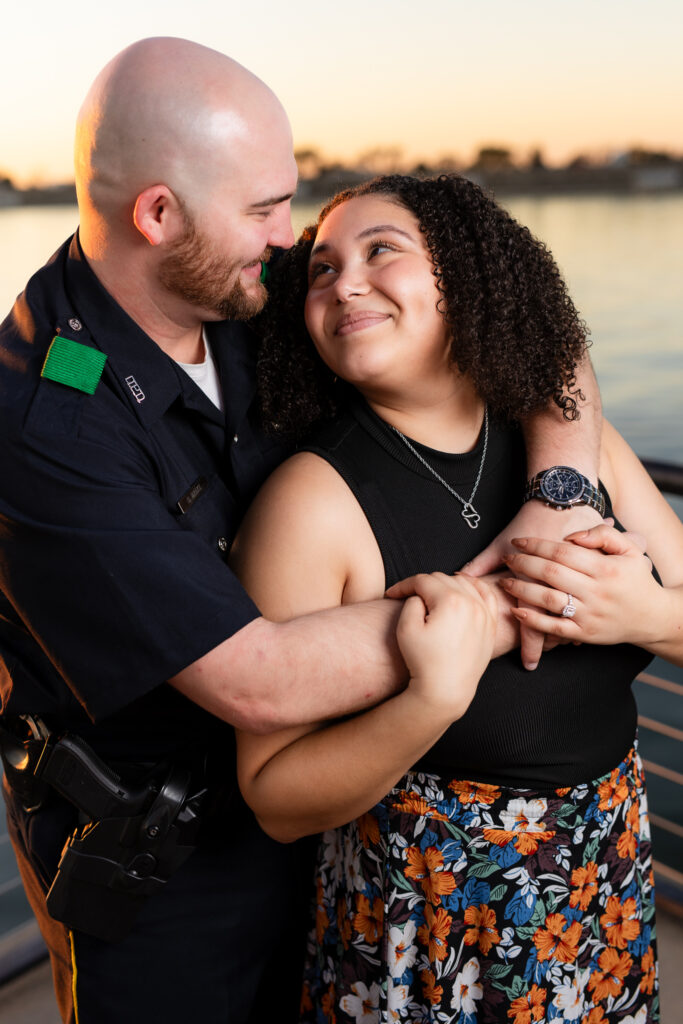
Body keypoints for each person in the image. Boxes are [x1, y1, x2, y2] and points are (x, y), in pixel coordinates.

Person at [0, 37, 605, 1024]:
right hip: (163, 869)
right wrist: (535, 596)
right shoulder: (42, 423)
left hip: (343, 813)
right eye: (265, 208)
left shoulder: (244, 278)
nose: (291, 236)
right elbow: (257, 676)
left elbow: (536, 325)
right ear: (159, 214)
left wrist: (560, 495)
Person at [233, 173, 683, 1021]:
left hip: (607, 890)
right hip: (432, 931)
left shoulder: (577, 447)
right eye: (321, 269)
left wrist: (647, 615)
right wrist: (429, 701)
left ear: (464, 278)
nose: (344, 282)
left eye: (381, 251)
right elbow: (274, 799)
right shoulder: (309, 503)